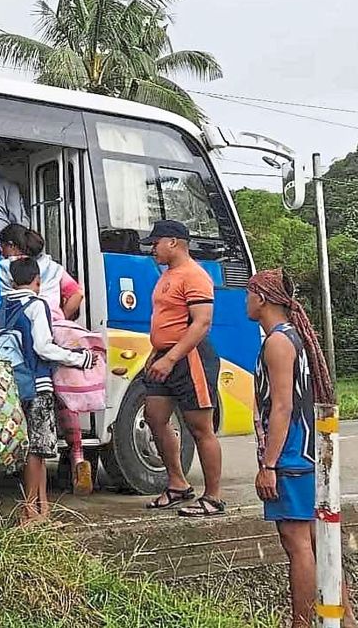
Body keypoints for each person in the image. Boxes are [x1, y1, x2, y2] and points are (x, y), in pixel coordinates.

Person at [247, 269, 336, 628]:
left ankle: (301, 622)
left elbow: (282, 406)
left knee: (296, 541)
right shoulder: (290, 337)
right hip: (302, 449)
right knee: (318, 543)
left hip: (291, 453)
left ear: (263, 298)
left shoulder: (278, 342)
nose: (246, 301)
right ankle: (345, 620)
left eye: (249, 293)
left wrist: (269, 464)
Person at [0, 224, 98, 494]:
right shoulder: (54, 269)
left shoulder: (9, 269)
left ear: (14, 247)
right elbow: (77, 293)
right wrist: (62, 319)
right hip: (53, 335)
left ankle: (32, 499)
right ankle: (77, 455)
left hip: (24, 345)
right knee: (68, 398)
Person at [140, 220, 225, 518]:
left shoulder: (194, 275)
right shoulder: (167, 276)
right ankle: (177, 483)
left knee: (200, 427)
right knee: (154, 416)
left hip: (190, 358)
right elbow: (166, 320)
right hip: (165, 355)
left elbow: (201, 323)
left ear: (174, 242)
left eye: (156, 243)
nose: (153, 249)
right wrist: (155, 354)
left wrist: (171, 357)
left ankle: (213, 497)